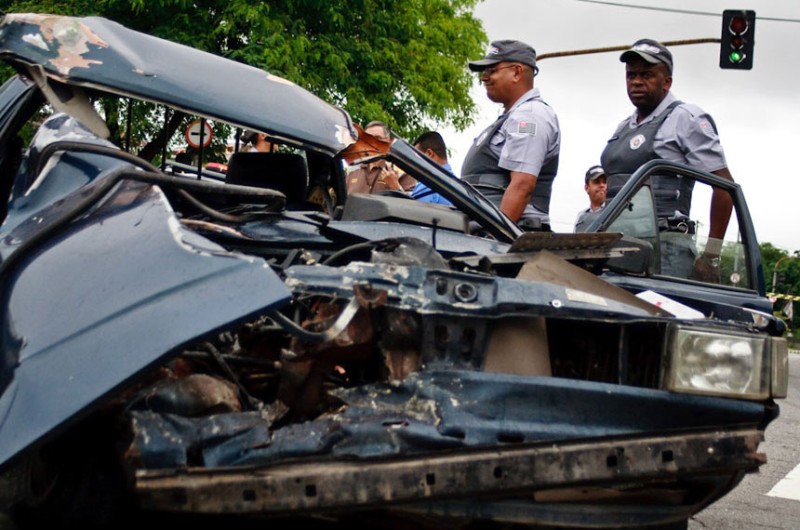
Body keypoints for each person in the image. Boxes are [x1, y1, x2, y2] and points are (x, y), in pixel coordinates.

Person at [600, 39, 734, 279]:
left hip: (665, 251)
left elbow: (725, 188)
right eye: (631, 75)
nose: (637, 81)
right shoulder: (623, 128)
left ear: (667, 82)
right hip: (618, 247)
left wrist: (711, 257)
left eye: (647, 75)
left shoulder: (685, 118)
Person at [461, 40, 561, 231]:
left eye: (492, 70)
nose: (484, 77)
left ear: (516, 72)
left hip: (510, 239)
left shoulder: (529, 117)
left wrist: (493, 239)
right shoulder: (512, 116)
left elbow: (522, 185)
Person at [346, 121, 416, 194]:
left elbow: (412, 203)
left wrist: (396, 187)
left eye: (377, 138)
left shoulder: (402, 168)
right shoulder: (352, 168)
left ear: (388, 141)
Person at [411, 131, 454, 206]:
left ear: (429, 154)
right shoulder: (459, 188)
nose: (415, 164)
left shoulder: (427, 186)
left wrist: (396, 189)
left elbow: (410, 213)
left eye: (416, 158)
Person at [574, 165, 607, 232]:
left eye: (604, 182)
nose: (602, 185)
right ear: (587, 188)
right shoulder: (580, 217)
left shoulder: (615, 212)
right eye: (597, 182)